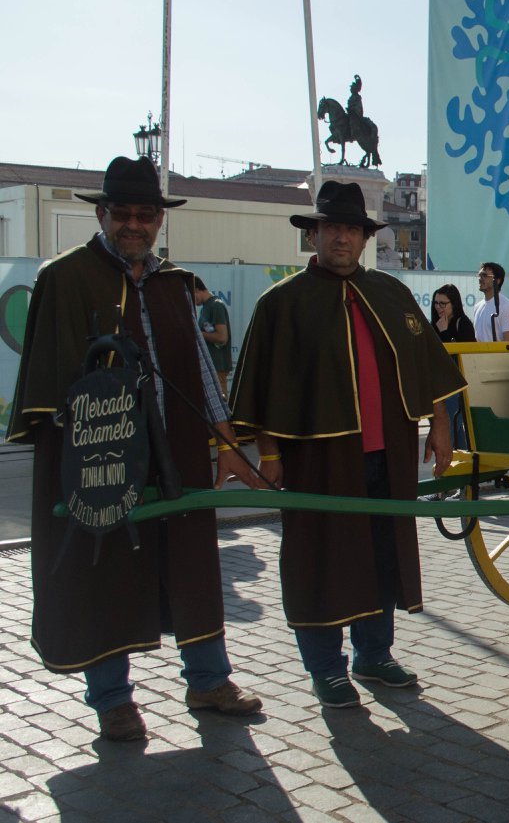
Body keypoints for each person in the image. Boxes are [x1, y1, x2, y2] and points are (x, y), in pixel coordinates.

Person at [8, 156, 262, 741]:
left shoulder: (174, 283)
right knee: (106, 572)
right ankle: (113, 701)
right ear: (100, 214)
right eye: (122, 213)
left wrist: (226, 442)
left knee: (193, 566)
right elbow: (49, 381)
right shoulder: (66, 277)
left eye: (145, 215)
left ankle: (209, 681)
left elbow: (200, 371)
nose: (134, 224)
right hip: (102, 456)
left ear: (159, 221)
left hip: (177, 452)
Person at [230, 181, 464, 708]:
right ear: (312, 235)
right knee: (320, 559)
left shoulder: (390, 292)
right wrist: (270, 454)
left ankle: (374, 655)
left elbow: (429, 367)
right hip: (317, 456)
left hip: (389, 454)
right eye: (331, 227)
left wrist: (441, 427)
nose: (342, 238)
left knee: (381, 556)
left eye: (352, 229)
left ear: (364, 238)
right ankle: (326, 667)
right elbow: (261, 389)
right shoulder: (281, 303)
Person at [431, 284, 475, 451]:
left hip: (457, 382)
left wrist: (444, 332)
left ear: (454, 304)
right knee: (455, 430)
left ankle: (450, 460)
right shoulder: (434, 323)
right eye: (436, 303)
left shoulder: (462, 323)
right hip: (439, 382)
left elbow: (462, 354)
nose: (438, 307)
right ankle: (461, 459)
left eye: (443, 303)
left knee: (450, 426)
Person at [194, 276, 233, 398]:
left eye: (192, 296)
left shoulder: (216, 305)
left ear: (197, 289)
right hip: (208, 366)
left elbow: (222, 337)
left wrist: (198, 334)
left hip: (217, 366)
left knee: (220, 403)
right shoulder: (205, 308)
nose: (193, 301)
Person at [473, 263, 509, 342]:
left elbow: (508, 343)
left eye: (484, 275)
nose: (480, 279)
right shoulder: (477, 307)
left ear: (497, 281)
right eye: (479, 275)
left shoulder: (506, 306)